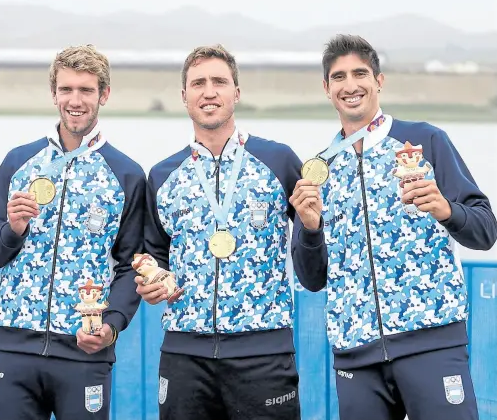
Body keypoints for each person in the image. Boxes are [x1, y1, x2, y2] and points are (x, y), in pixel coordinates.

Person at [290, 34, 497, 420]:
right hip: (356, 353)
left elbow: (485, 231)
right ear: (326, 88)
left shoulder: (425, 141)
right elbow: (312, 279)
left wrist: (447, 210)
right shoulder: (319, 169)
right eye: (338, 77)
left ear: (379, 80)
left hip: (431, 342)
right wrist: (310, 230)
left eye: (360, 73)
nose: (350, 85)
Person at [0, 44, 145, 420]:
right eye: (66, 89)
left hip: (84, 352)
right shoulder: (19, 162)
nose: (75, 100)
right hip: (12, 348)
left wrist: (111, 326)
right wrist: (12, 231)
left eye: (86, 90)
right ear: (54, 94)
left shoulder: (127, 174)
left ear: (104, 95)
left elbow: (133, 266)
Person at [138, 44, 302, 420]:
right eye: (198, 83)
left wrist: (311, 231)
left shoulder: (279, 160)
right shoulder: (162, 175)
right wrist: (149, 282)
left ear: (236, 93)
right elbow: (154, 255)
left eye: (219, 82)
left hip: (263, 354)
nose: (208, 91)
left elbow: (312, 246)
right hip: (184, 355)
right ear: (184, 97)